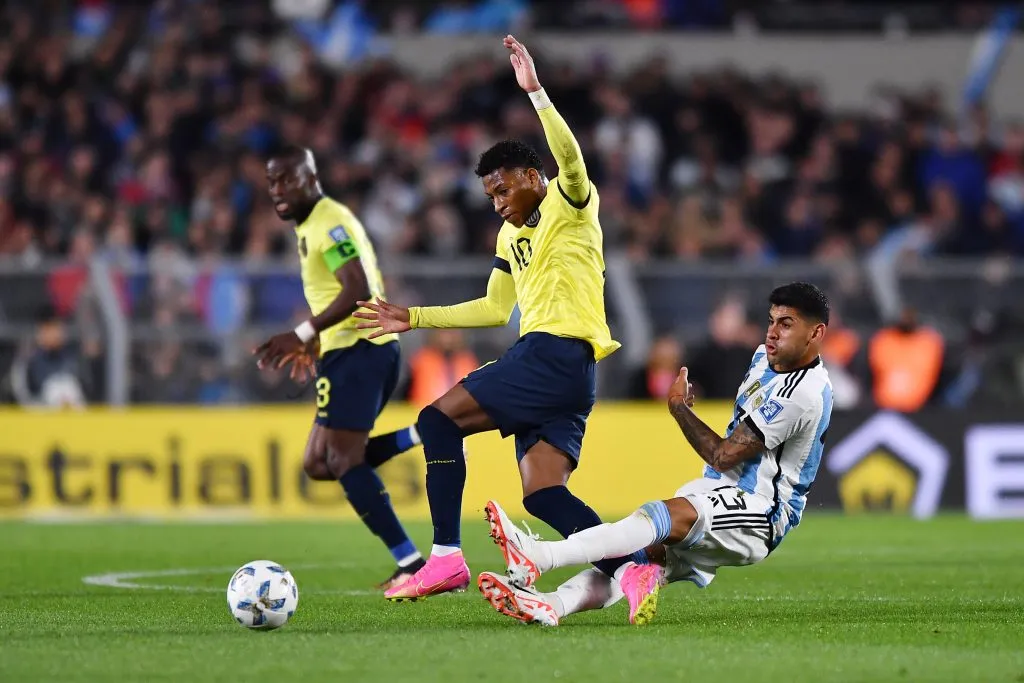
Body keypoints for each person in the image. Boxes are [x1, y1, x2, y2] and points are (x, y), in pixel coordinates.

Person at [355, 35, 624, 601]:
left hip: (552, 351)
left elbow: (571, 159)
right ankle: (633, 567)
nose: (498, 203)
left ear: (531, 176)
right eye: (490, 197)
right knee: (543, 494)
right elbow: (495, 307)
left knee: (436, 422)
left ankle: (446, 559)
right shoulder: (509, 235)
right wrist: (415, 316)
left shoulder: (570, 202)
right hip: (571, 371)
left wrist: (537, 93)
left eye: (503, 190)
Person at [478, 283, 834, 626]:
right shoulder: (762, 358)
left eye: (786, 324)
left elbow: (723, 456)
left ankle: (539, 556)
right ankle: (552, 605)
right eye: (771, 321)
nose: (772, 332)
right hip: (719, 487)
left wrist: (678, 407)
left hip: (762, 509)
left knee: (657, 516)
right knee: (644, 560)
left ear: (815, 333)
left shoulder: (804, 393)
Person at [253, 146, 425, 590]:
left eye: (287, 180)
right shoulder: (312, 224)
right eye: (272, 182)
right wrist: (317, 342)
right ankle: (422, 434)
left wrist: (303, 332)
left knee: (341, 459)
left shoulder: (329, 222)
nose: (278, 190)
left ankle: (411, 563)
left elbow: (357, 288)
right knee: (318, 462)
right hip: (346, 349)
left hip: (361, 348)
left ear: (311, 179)